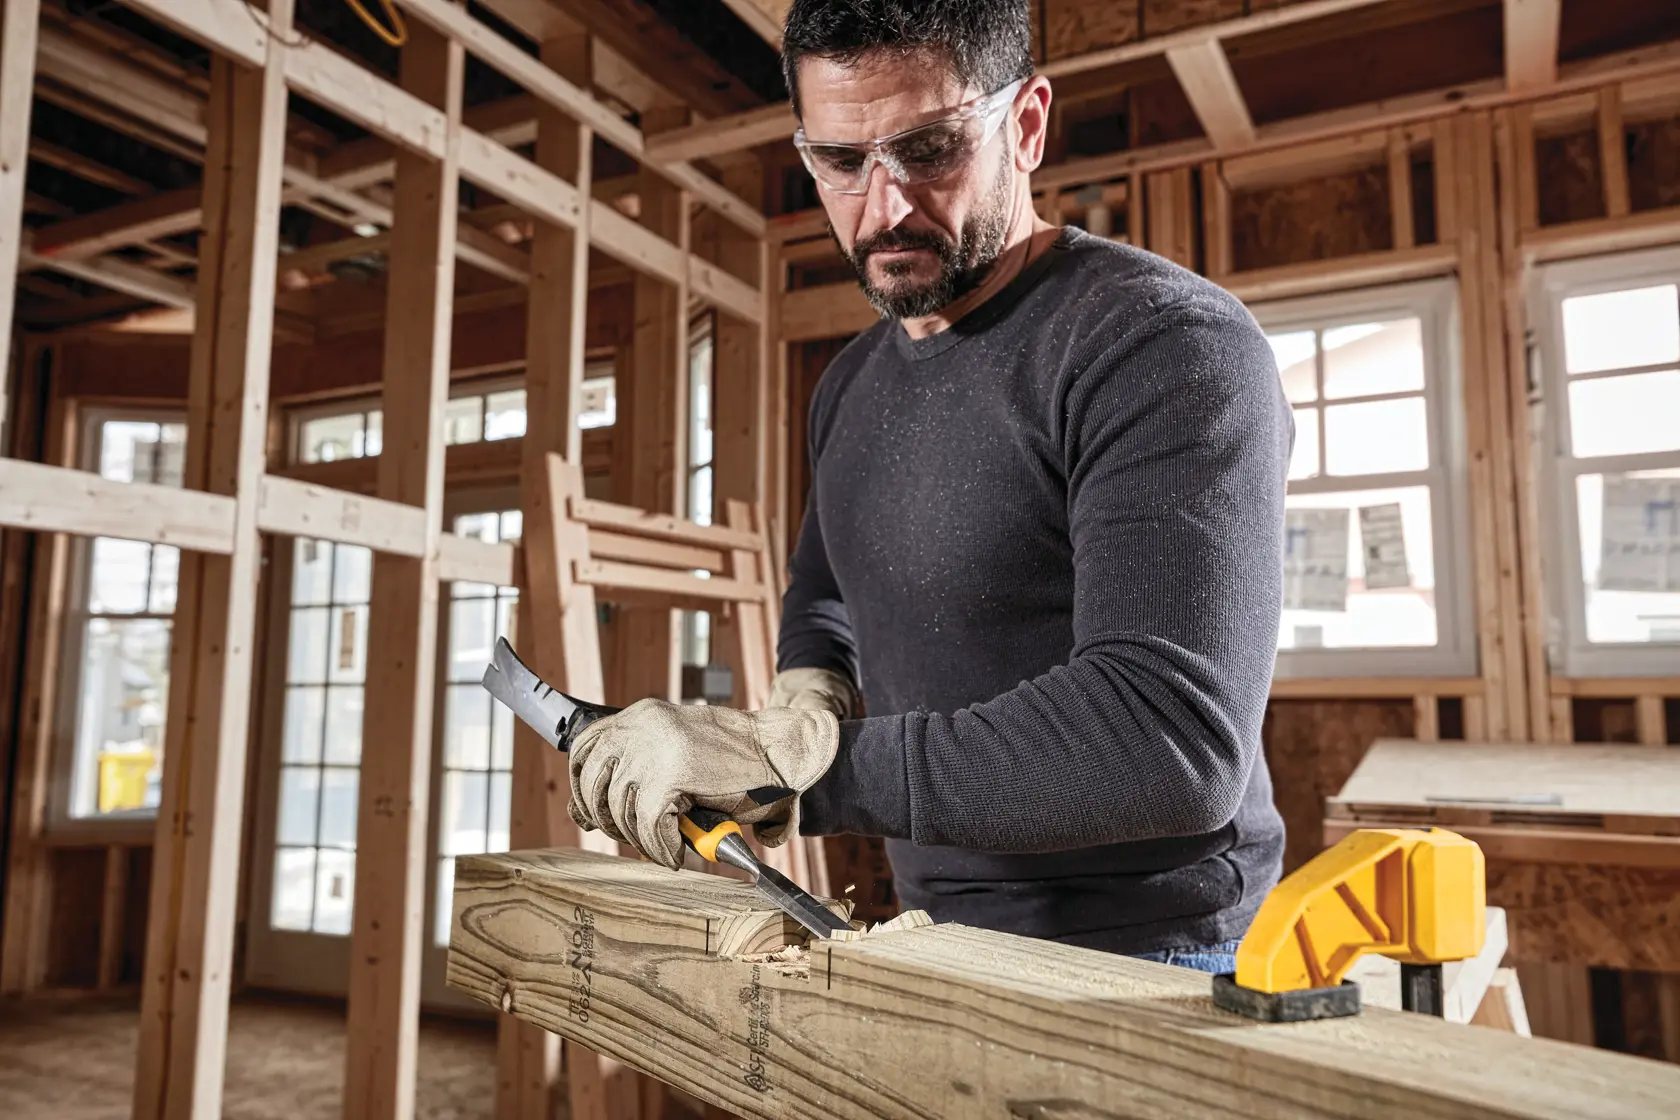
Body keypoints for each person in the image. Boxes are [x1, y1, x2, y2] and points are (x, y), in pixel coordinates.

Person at [564, 0, 1292, 974]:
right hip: (934, 936)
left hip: (1154, 960)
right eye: (841, 161)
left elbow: (1168, 747)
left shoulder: (1161, 347)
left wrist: (798, 771)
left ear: (1026, 125)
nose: (884, 206)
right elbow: (828, 590)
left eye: (930, 149)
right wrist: (807, 694)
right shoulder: (853, 386)